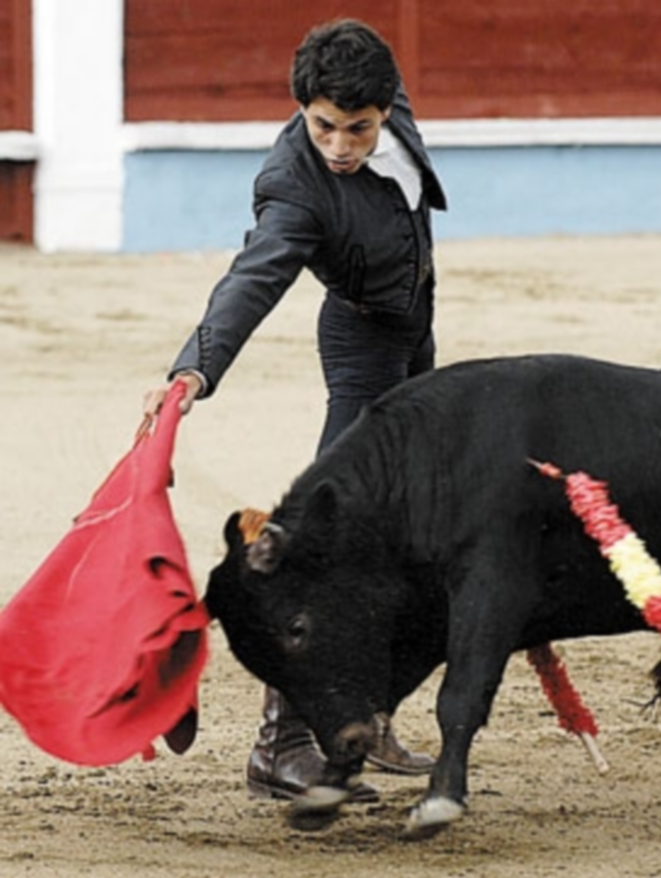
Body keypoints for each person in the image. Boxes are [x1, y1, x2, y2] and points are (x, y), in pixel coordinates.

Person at [143, 19, 447, 803]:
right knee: (323, 545)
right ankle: (279, 748)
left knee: (406, 535)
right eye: (322, 127)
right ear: (300, 111)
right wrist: (192, 370)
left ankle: (366, 715)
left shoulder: (383, 93)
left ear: (386, 108)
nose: (340, 145)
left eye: (359, 129)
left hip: (415, 337)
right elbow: (253, 280)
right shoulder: (294, 188)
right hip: (362, 348)